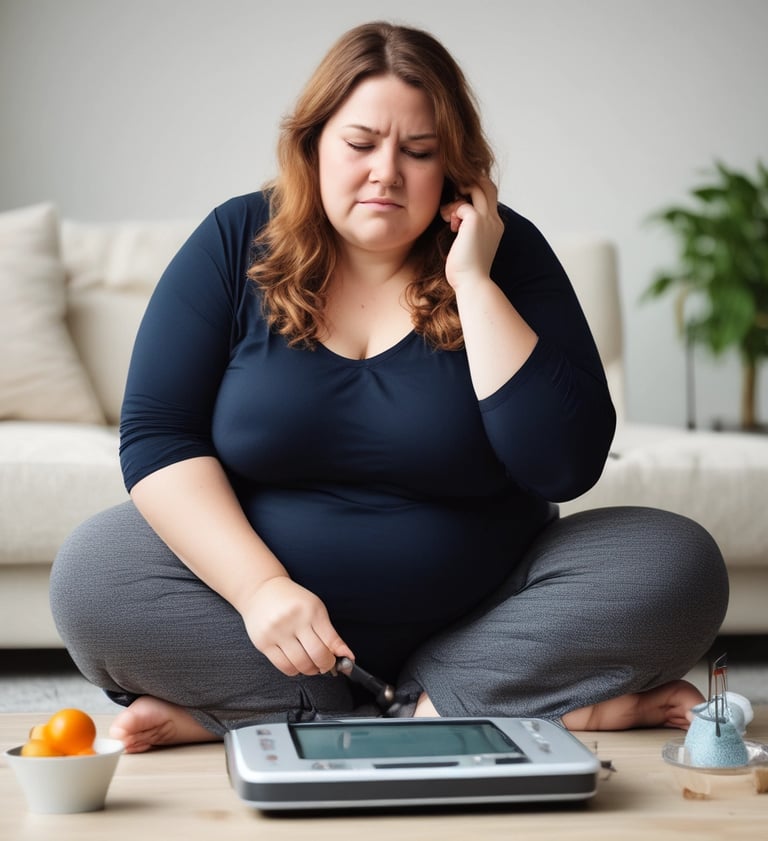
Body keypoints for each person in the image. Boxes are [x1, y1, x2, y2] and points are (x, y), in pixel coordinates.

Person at [50, 21, 728, 753]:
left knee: (673, 560)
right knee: (94, 572)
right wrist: (259, 589)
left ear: (455, 168)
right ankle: (467, 713)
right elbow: (159, 436)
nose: (386, 173)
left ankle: (296, 715)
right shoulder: (234, 238)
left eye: (419, 151)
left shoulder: (508, 255)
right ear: (313, 145)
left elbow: (563, 466)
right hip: (269, 629)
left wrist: (473, 281)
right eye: (361, 143)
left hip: (485, 618)